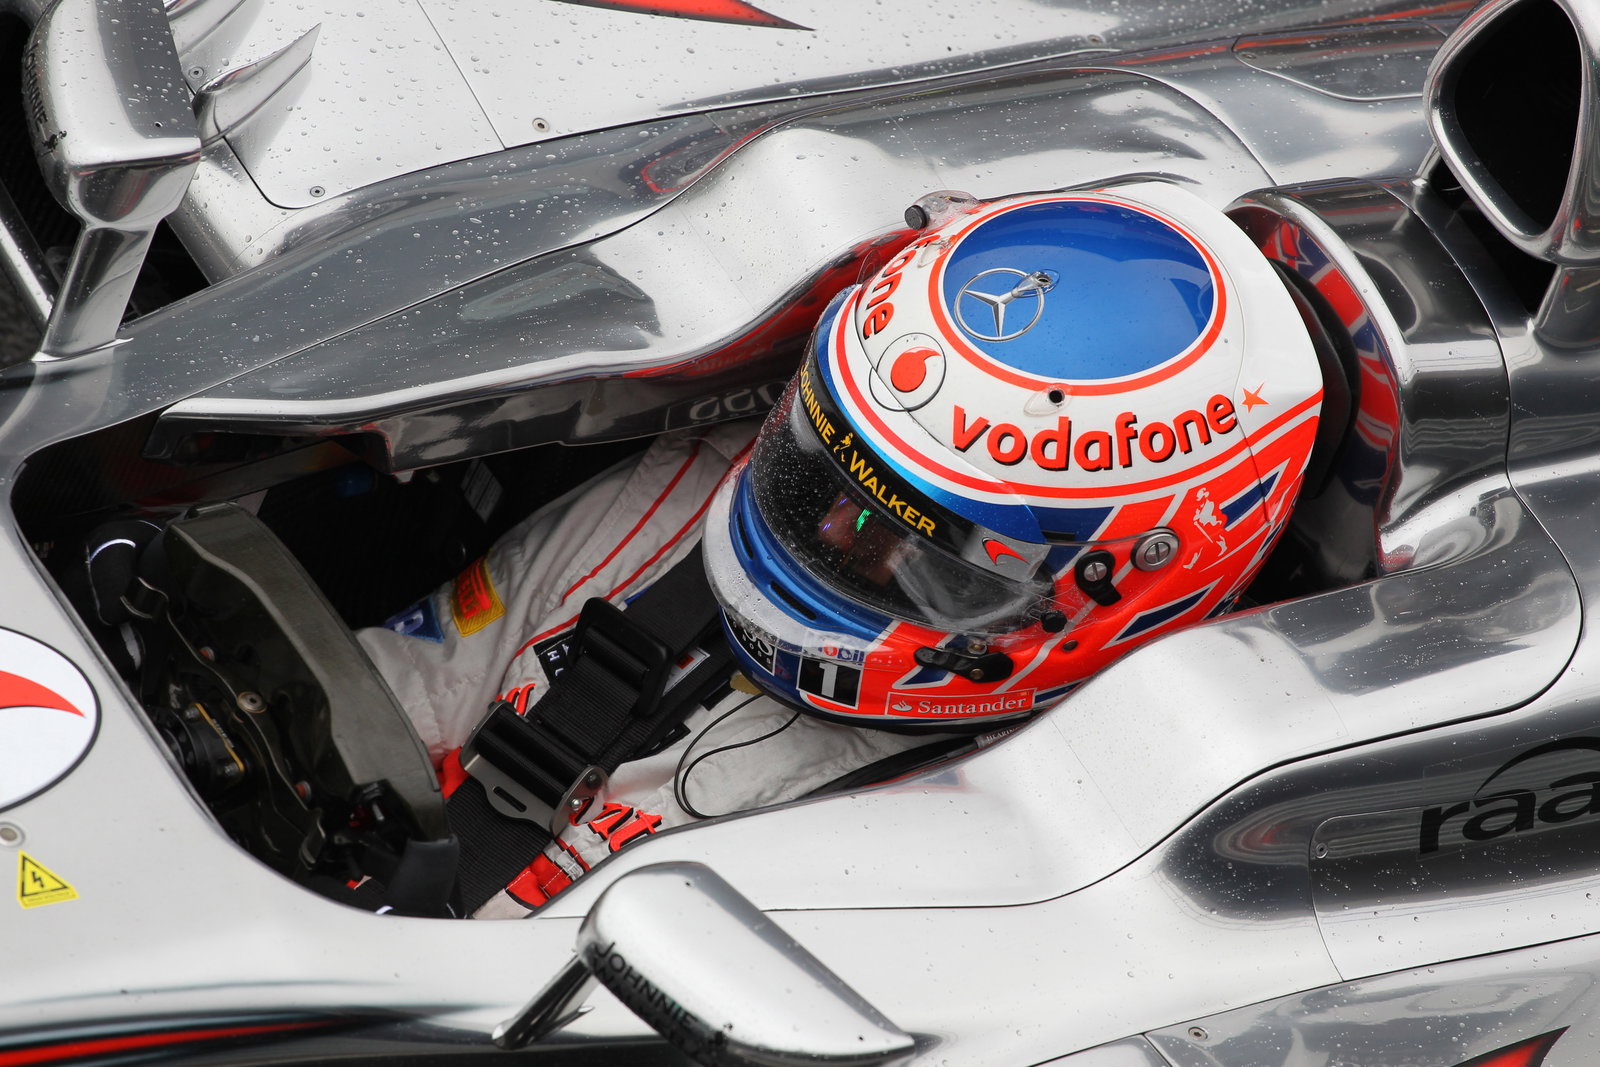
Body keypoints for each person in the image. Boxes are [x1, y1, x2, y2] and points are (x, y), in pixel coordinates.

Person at [356, 181, 1325, 919]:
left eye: (923, 550)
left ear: (1123, 576)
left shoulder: (1034, 860)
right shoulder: (682, 494)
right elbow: (374, 703)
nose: (828, 532)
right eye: (821, 473)